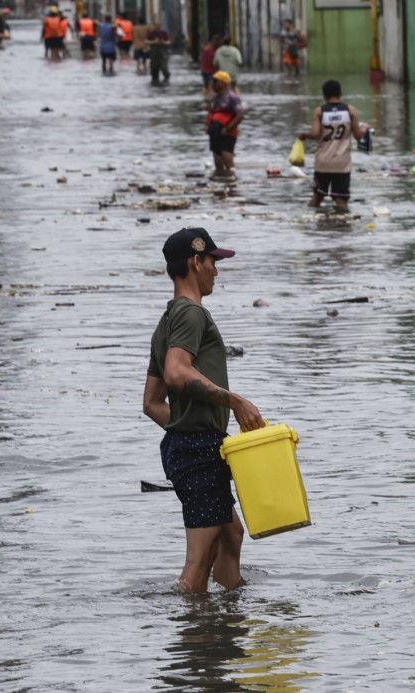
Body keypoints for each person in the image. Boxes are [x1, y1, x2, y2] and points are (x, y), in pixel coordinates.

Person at [143, 227, 266, 593]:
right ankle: (195, 640)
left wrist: (187, 428)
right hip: (196, 449)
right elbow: (177, 373)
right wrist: (235, 400)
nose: (217, 269)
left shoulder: (167, 320)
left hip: (191, 446)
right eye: (213, 261)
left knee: (231, 535)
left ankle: (224, 621)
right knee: (199, 559)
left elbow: (151, 404)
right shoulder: (191, 314)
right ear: (196, 261)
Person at [296, 80, 370, 215]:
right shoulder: (350, 111)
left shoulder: (319, 111)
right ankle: (341, 226)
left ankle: (308, 220)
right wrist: (364, 128)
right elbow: (358, 136)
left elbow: (315, 133)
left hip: (323, 163)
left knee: (317, 197)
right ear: (340, 93)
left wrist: (304, 135)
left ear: (323, 95)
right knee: (341, 200)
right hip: (342, 164)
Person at [206, 72, 243, 179]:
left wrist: (228, 128)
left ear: (222, 83)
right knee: (217, 158)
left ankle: (232, 181)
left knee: (226, 155)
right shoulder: (215, 98)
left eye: (215, 82)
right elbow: (211, 113)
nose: (213, 84)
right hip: (215, 132)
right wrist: (208, 127)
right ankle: (220, 182)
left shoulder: (232, 98)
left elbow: (240, 115)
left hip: (227, 132)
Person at [200, 35, 221, 99]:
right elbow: (213, 62)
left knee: (206, 86)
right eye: (218, 42)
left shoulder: (207, 48)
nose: (218, 44)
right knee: (211, 87)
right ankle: (210, 99)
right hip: (211, 71)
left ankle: (204, 98)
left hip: (205, 70)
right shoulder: (210, 50)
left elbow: (202, 60)